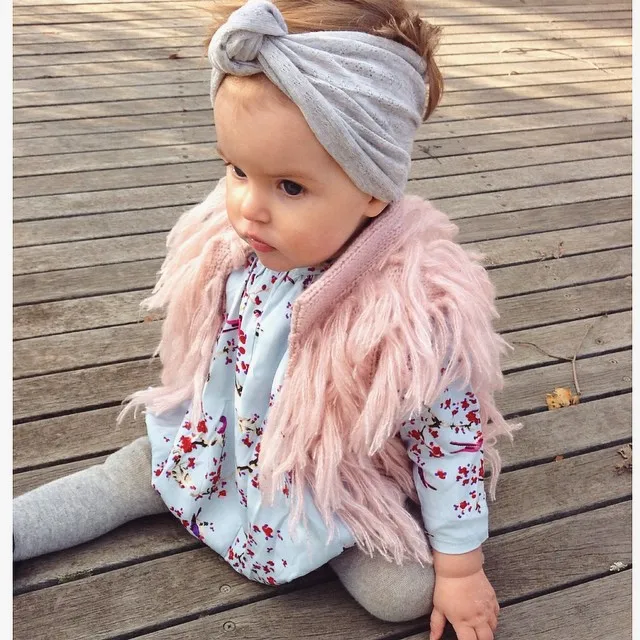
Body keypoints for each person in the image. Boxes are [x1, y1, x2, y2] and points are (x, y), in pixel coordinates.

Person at [14, 1, 519, 638]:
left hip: (324, 485)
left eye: (290, 187)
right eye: (236, 170)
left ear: (373, 189)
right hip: (215, 445)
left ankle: (320, 537)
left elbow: (448, 440)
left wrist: (461, 566)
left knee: (403, 595)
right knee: (124, 478)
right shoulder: (231, 247)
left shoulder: (410, 313)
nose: (248, 208)